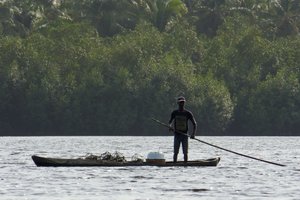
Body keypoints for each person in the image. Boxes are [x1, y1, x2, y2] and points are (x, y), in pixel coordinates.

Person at [169, 96, 197, 163]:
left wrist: (193, 134)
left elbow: (194, 124)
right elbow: (170, 122)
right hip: (177, 135)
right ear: (178, 103)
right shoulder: (174, 113)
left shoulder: (188, 113)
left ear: (184, 103)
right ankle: (174, 164)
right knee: (175, 152)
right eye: (180, 102)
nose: (182, 104)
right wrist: (170, 126)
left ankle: (185, 164)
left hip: (185, 135)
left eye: (183, 102)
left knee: (185, 153)